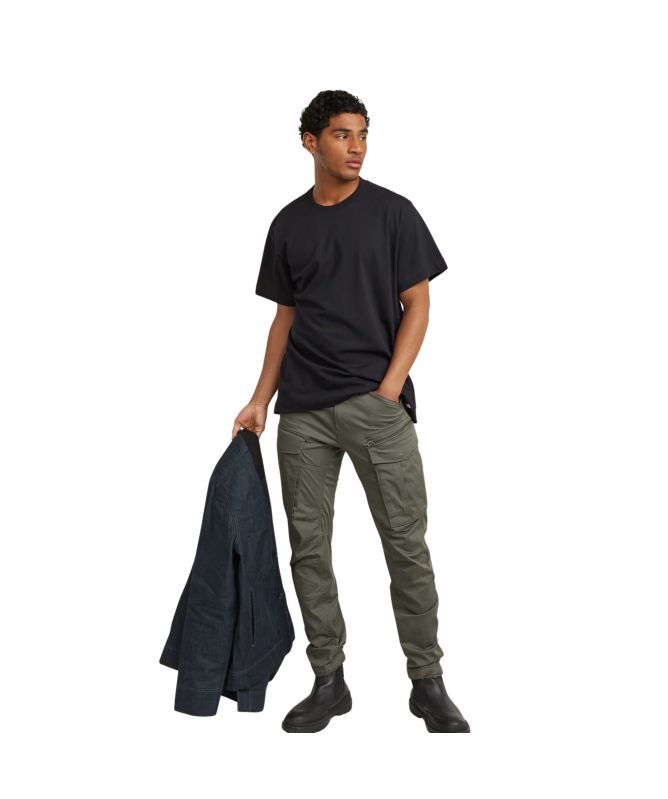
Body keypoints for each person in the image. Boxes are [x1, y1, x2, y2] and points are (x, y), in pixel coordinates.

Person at [232, 90, 470, 733]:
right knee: (308, 549)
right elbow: (284, 319)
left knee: (406, 547)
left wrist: (389, 389)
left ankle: (427, 682)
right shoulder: (288, 224)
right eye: (342, 134)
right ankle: (328, 681)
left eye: (363, 134)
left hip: (375, 407)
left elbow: (418, 304)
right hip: (302, 413)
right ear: (309, 141)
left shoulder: (394, 213)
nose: (357, 146)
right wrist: (260, 399)